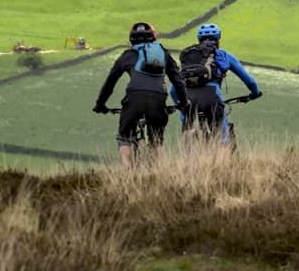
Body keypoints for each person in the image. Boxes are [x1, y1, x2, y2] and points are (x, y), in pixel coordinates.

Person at [93, 21, 187, 167]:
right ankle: (158, 172)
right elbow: (178, 81)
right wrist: (184, 102)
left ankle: (127, 171)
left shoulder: (127, 55)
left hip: (134, 98)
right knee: (157, 139)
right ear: (153, 37)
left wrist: (100, 104)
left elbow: (110, 83)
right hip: (158, 98)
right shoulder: (163, 53)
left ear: (131, 39)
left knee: (124, 137)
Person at [178, 22, 261, 144]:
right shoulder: (223, 55)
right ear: (218, 39)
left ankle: (188, 147)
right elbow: (249, 81)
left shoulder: (189, 56)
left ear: (199, 39)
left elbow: (174, 89)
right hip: (212, 98)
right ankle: (222, 151)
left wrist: (181, 106)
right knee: (223, 133)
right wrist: (255, 93)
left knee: (187, 125)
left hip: (189, 99)